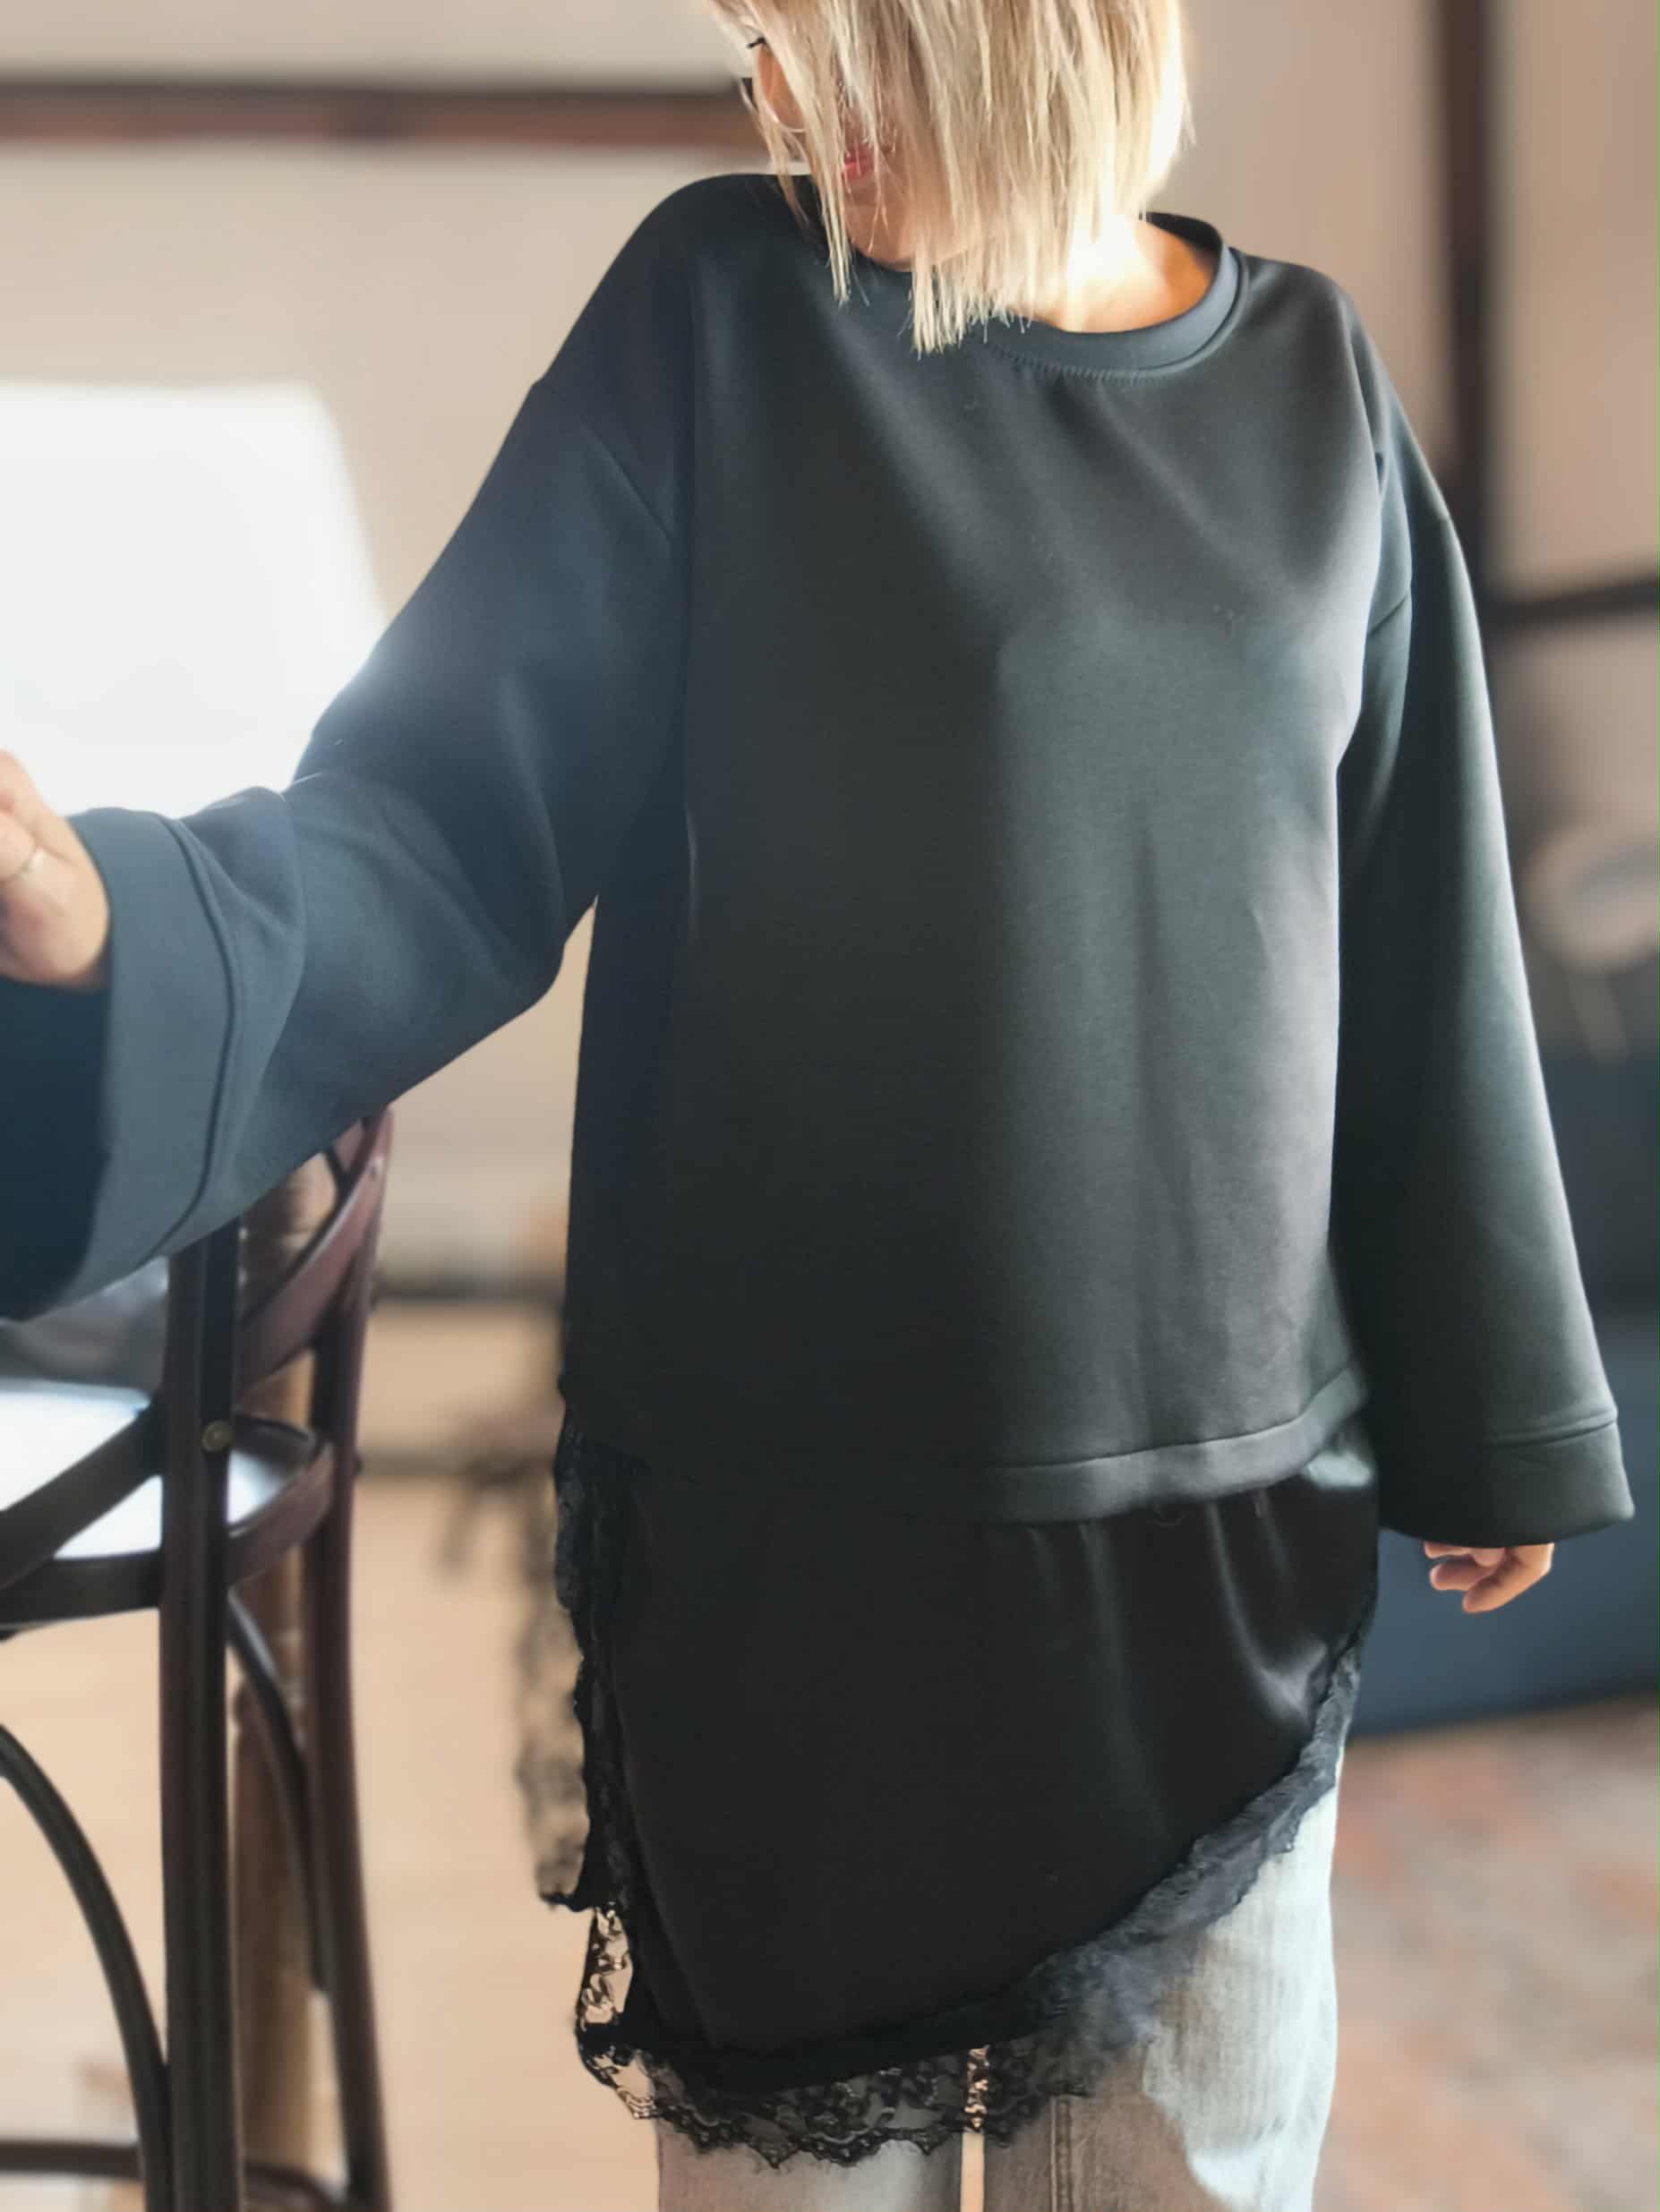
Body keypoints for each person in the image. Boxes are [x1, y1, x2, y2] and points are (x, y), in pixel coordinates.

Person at [0, 4, 1634, 2208]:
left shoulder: (1312, 383)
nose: (779, 103)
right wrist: (114, 923)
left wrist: (1494, 1400)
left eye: (827, 37)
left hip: (1218, 1569)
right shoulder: (719, 321)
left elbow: (1421, 930)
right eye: (759, 41)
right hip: (801, 1560)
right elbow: (437, 825)